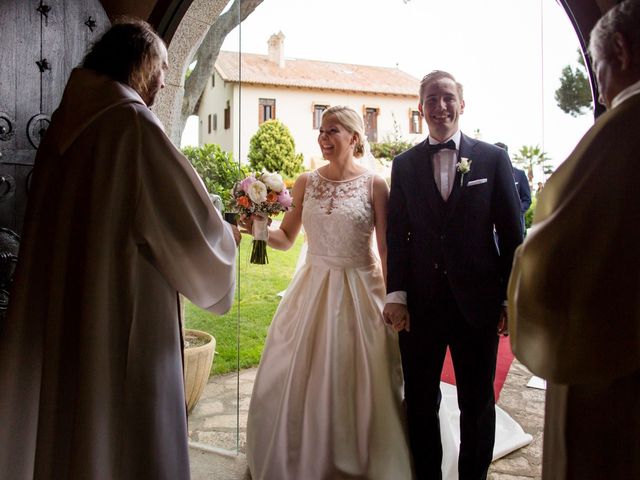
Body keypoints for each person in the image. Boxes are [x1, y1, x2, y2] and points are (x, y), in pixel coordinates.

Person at [0, 20, 238, 480]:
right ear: (144, 62)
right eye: (165, 68)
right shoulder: (130, 124)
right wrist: (223, 232)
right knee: (127, 440)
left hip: (68, 317)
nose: (165, 81)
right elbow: (190, 230)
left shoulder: (63, 131)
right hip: (122, 320)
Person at [243, 106, 415, 480]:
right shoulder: (306, 182)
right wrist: (257, 226)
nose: (323, 137)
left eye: (332, 130)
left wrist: (393, 296)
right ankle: (302, 458)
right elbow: (287, 238)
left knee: (363, 378)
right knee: (298, 372)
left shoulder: (375, 185)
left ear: (354, 138)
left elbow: (385, 247)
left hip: (362, 288)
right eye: (321, 131)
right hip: (313, 288)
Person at [508, 1, 640, 478]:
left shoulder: (622, 130)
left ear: (620, 50)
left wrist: (529, 254)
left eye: (597, 66)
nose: (599, 88)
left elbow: (564, 249)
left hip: (610, 355)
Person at [384, 70, 523, 479]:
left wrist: (507, 299)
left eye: (447, 98)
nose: (440, 106)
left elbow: (513, 233)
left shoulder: (492, 158)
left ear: (462, 104)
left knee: (477, 404)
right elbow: (397, 232)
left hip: (476, 304)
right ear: (421, 107)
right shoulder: (404, 165)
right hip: (422, 306)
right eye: (431, 99)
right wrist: (397, 293)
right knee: (422, 401)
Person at [495, 142, 532, 236]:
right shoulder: (488, 175)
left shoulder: (520, 174)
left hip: (516, 225)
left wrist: (517, 211)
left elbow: (527, 200)